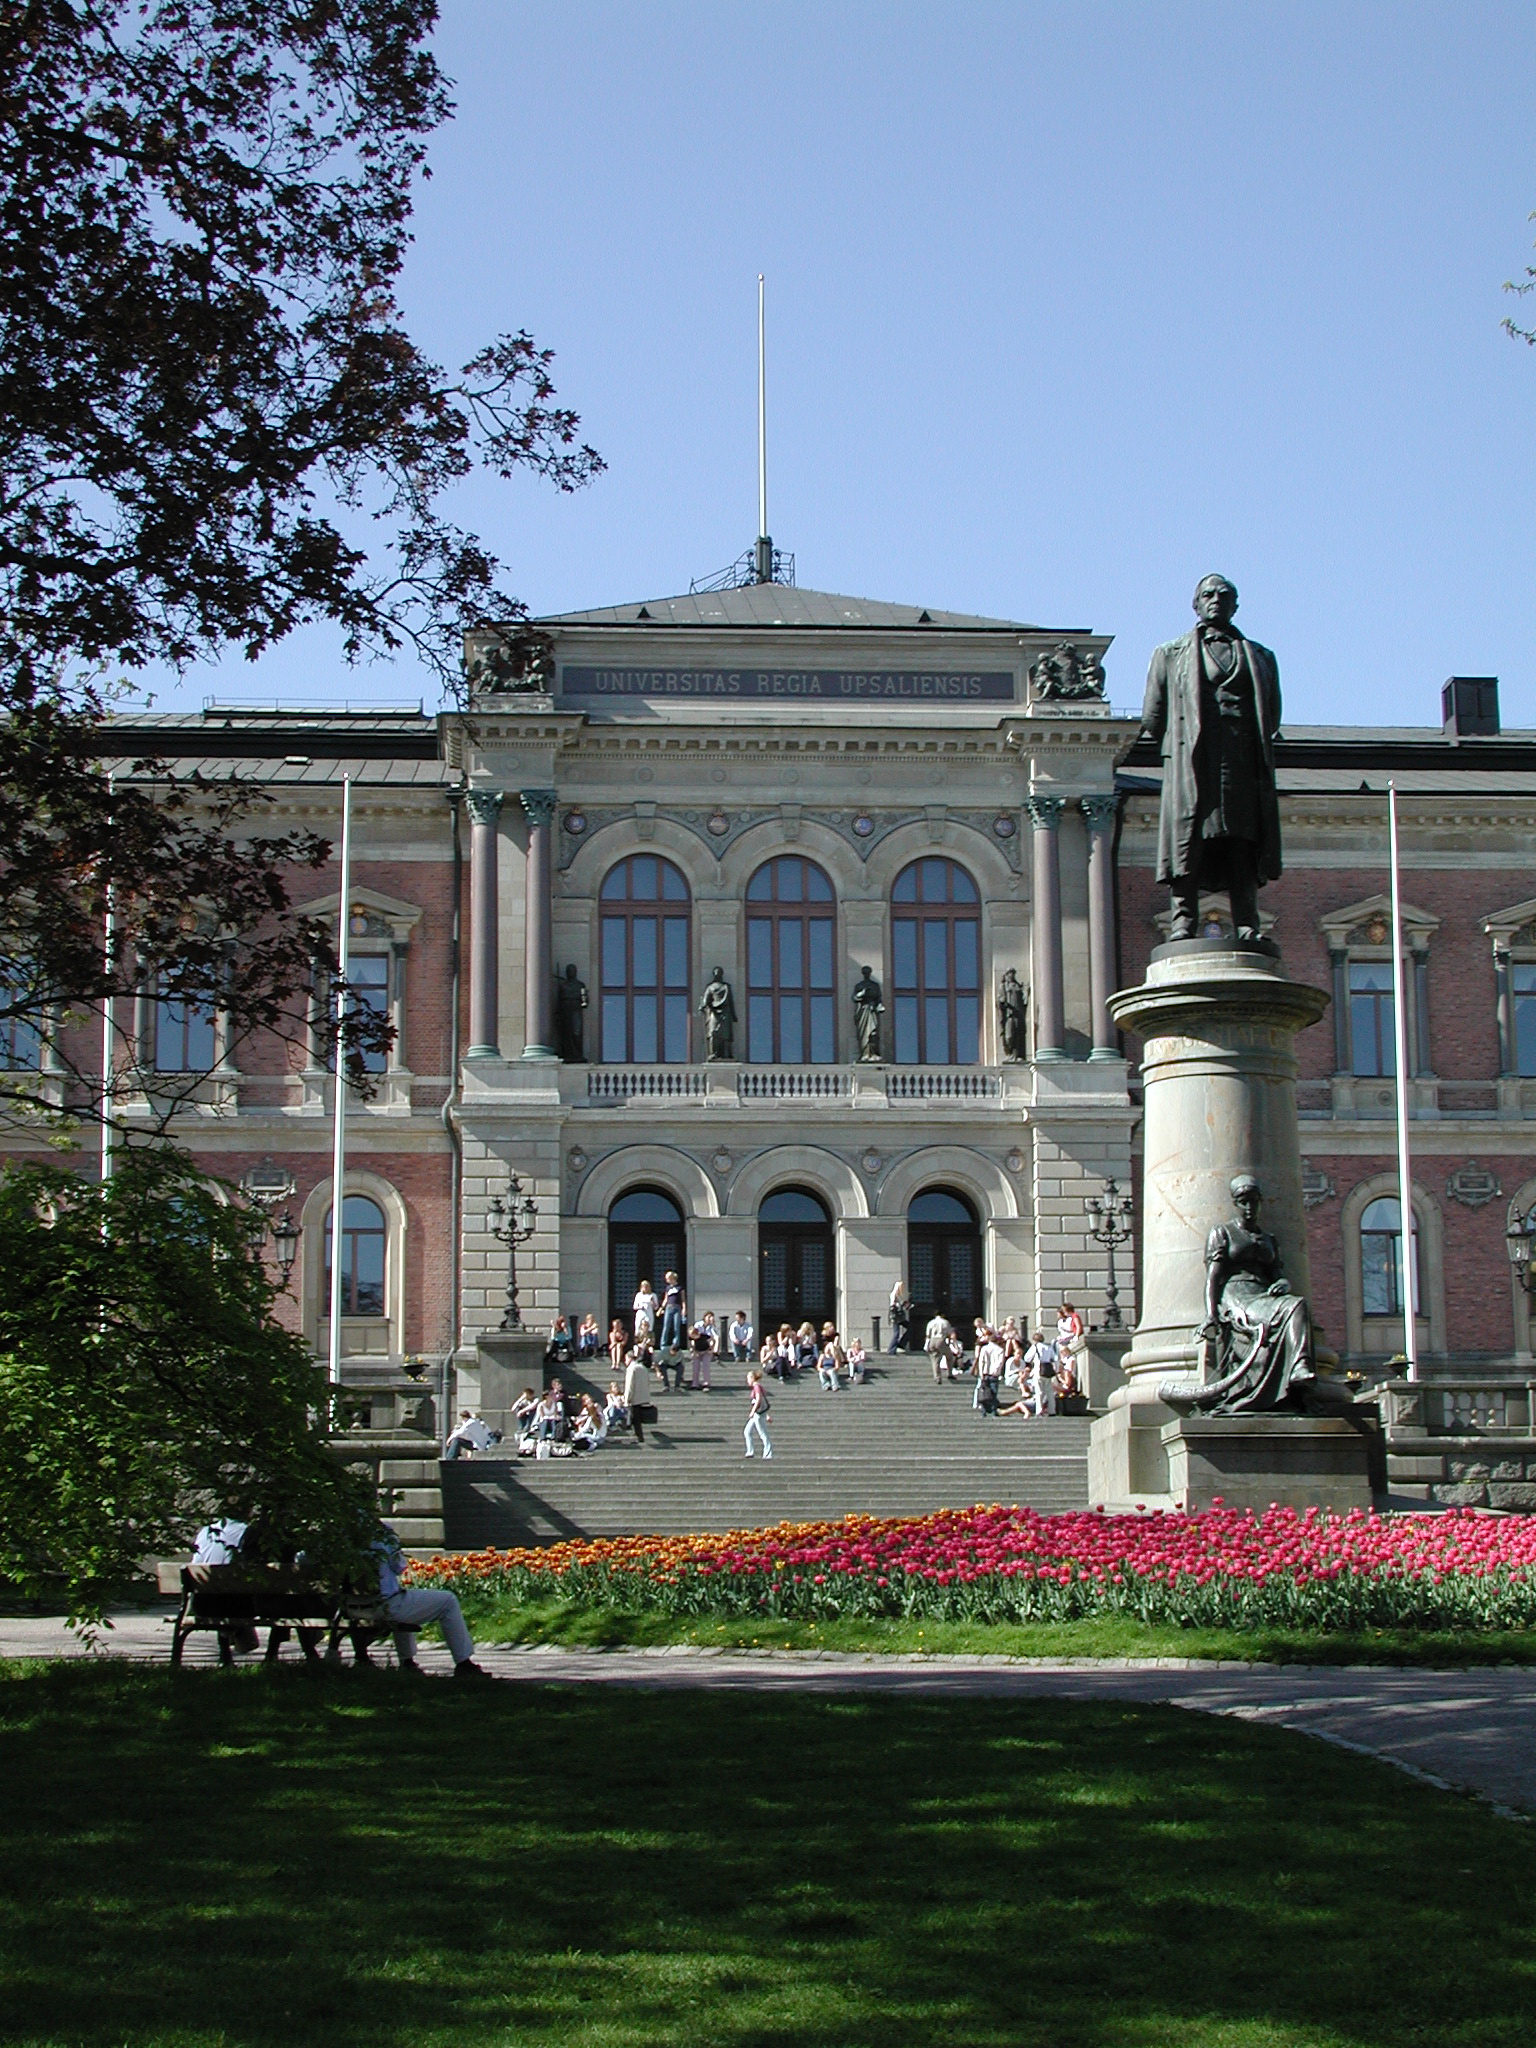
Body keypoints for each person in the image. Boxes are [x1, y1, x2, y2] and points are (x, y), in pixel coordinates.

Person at [1139, 572, 1282, 943]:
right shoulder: (1169, 655)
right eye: (1207, 594)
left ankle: (1248, 923)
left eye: (1223, 595)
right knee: (1189, 842)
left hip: (1241, 762)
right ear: (1196, 604)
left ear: (1235, 605)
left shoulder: (1262, 657)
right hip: (1192, 762)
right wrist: (1183, 743)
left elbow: (1272, 714)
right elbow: (1154, 716)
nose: (1215, 599)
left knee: (1242, 843)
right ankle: (1183, 921)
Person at [375, 1527, 488, 1679]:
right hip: (385, 1604)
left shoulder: (344, 1533)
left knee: (404, 1599)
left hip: (352, 1607)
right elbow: (400, 1567)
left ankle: (403, 1662)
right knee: (448, 1601)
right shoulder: (381, 1533)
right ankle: (464, 1663)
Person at [1025, 1332, 1058, 1418]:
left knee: (1039, 1392)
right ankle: (1052, 1410)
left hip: (1038, 1371)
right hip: (1047, 1371)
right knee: (1049, 1391)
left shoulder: (1035, 1347)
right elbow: (1055, 1358)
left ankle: (1039, 1411)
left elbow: (1027, 1358)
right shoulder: (1048, 1347)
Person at [623, 1348, 652, 1442]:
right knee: (637, 1417)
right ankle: (637, 1435)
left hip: (635, 1396)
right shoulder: (643, 1367)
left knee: (635, 1418)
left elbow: (629, 1385)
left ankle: (639, 1437)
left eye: (625, 1359)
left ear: (629, 1358)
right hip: (643, 1396)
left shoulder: (631, 1369)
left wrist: (627, 1398)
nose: (625, 1361)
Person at [743, 1368, 773, 1458]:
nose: (747, 1381)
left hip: (758, 1414)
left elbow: (759, 1399)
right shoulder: (757, 1387)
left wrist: (752, 1411)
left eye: (748, 1378)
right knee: (747, 1431)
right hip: (758, 1413)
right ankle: (750, 1451)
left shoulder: (757, 1387)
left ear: (752, 1378)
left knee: (763, 1433)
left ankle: (768, 1454)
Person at [973, 1327, 1004, 1412]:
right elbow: (1000, 1362)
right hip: (994, 1374)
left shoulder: (984, 1348)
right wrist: (996, 1371)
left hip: (985, 1373)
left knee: (985, 1391)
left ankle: (984, 1409)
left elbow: (981, 1362)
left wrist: (981, 1373)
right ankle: (993, 1409)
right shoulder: (1000, 1350)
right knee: (993, 1392)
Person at [658, 1271, 686, 1354]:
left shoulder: (680, 1288)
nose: (666, 1280)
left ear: (672, 1278)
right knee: (666, 1326)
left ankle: (675, 1345)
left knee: (676, 1327)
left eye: (668, 1278)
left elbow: (683, 1299)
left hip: (677, 1307)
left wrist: (684, 1308)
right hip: (669, 1307)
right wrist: (661, 1308)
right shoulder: (668, 1288)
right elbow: (666, 1299)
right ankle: (663, 1345)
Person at [690, 1312, 718, 1389]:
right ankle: (695, 1383)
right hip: (697, 1349)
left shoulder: (712, 1327)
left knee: (706, 1366)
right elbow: (692, 1337)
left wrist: (712, 1349)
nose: (710, 1319)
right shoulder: (698, 1325)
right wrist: (693, 1349)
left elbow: (715, 1338)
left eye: (712, 1317)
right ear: (704, 1317)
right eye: (709, 1317)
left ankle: (706, 1383)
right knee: (695, 1367)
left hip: (706, 1349)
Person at [925, 1311, 955, 1382]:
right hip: (941, 1340)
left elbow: (927, 1335)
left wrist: (927, 1344)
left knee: (935, 1359)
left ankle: (937, 1377)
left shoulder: (931, 1322)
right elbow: (949, 1333)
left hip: (932, 1340)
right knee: (949, 1356)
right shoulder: (945, 1322)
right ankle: (949, 1373)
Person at [817, 1325, 844, 1391]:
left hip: (832, 1370)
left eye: (829, 1349)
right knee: (821, 1373)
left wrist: (832, 1369)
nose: (828, 1350)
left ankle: (835, 1386)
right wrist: (821, 1369)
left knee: (832, 1372)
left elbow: (837, 1367)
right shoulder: (822, 1356)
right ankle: (826, 1385)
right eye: (827, 1348)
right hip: (824, 1369)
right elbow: (818, 1366)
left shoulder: (835, 1356)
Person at [888, 1279, 911, 1353]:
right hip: (896, 1317)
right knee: (896, 1333)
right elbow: (893, 1307)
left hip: (900, 1317)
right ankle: (891, 1349)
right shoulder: (894, 1296)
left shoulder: (899, 1296)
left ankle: (901, 1344)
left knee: (910, 1328)